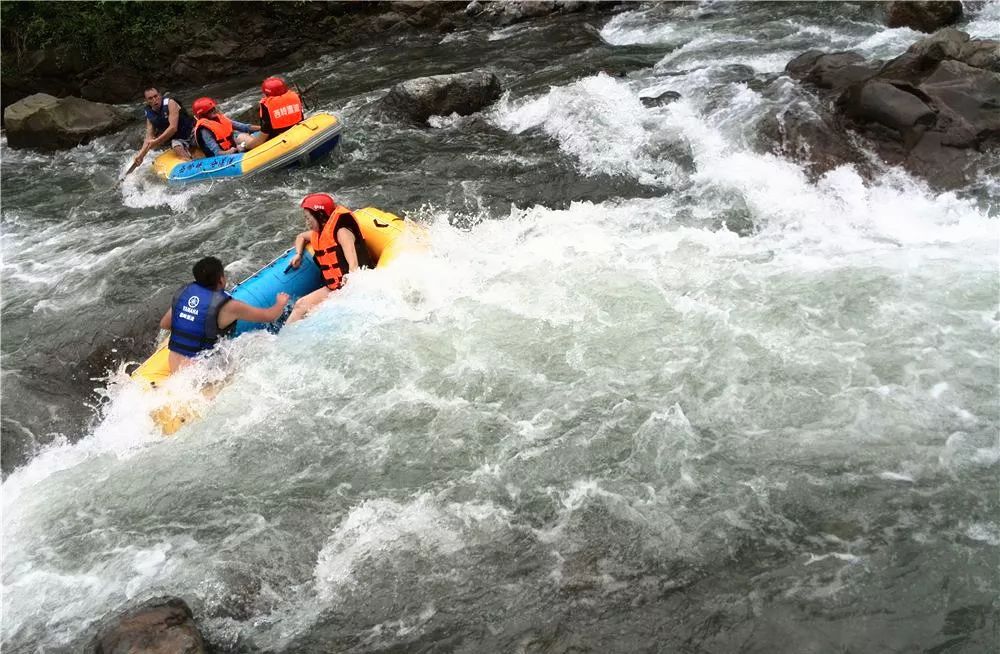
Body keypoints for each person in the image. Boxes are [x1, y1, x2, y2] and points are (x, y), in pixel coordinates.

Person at [159, 256, 289, 372]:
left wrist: (190, 332)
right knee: (259, 340)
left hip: (174, 365)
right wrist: (280, 303)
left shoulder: (185, 295)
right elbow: (270, 316)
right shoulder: (230, 306)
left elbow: (164, 324)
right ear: (221, 280)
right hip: (199, 373)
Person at [286, 193, 374, 324]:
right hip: (335, 288)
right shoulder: (319, 234)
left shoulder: (342, 232)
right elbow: (301, 237)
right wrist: (298, 254)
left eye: (308, 218)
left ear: (320, 215)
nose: (307, 223)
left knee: (317, 314)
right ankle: (281, 341)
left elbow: (354, 267)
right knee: (300, 305)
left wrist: (345, 294)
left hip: (352, 287)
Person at [134, 86, 196, 166]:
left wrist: (157, 141)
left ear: (159, 95)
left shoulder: (170, 103)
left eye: (155, 96)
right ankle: (191, 165)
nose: (154, 100)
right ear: (146, 101)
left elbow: (173, 128)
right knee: (176, 146)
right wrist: (141, 155)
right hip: (179, 139)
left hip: (192, 131)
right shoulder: (149, 114)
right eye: (150, 98)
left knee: (203, 138)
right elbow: (149, 137)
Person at [241, 76, 304, 150]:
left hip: (278, 141)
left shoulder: (267, 106)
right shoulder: (295, 97)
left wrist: (245, 147)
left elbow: (262, 138)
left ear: (266, 93)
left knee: (241, 137)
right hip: (298, 132)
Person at [191, 97, 261, 157]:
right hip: (221, 156)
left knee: (242, 136)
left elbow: (244, 127)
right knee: (242, 138)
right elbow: (217, 152)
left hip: (232, 148)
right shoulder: (204, 130)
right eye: (210, 111)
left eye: (213, 108)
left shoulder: (220, 118)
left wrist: (263, 128)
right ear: (202, 115)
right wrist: (231, 151)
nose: (214, 111)